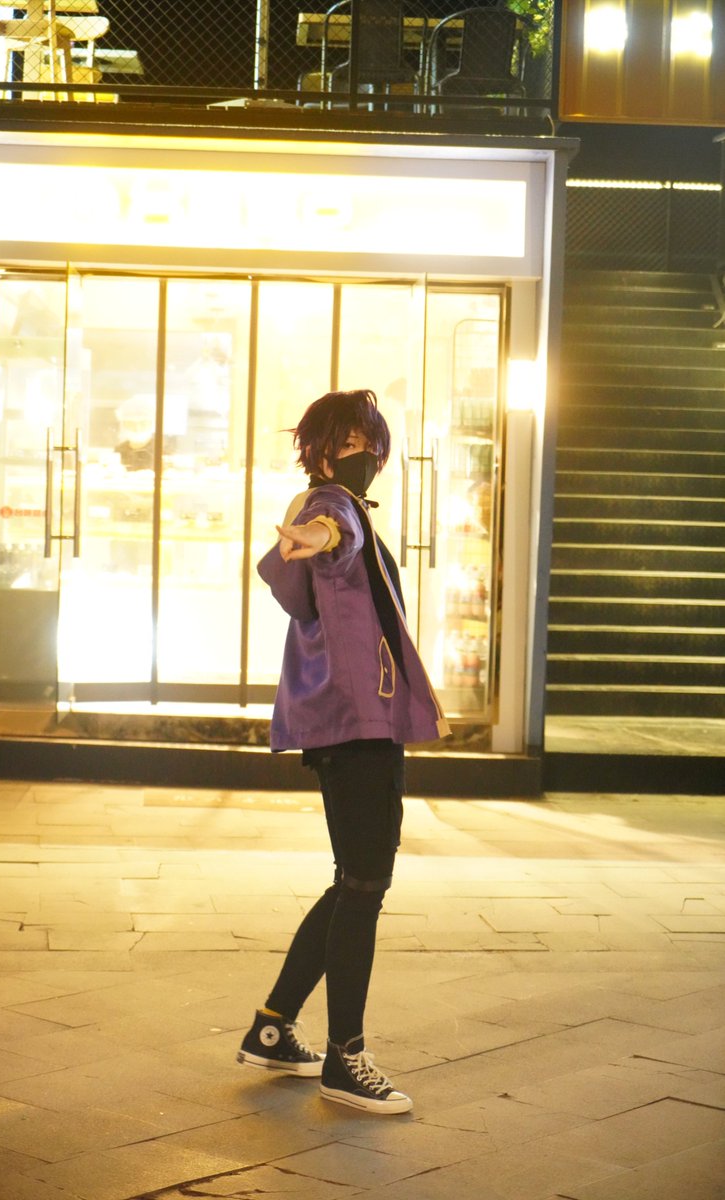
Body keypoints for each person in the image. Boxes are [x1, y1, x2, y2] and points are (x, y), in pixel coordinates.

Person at [236, 389, 450, 1115]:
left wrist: (319, 532)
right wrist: (318, 533)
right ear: (320, 452)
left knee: (351, 881)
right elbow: (333, 530)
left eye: (366, 442)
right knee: (364, 885)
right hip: (357, 725)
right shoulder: (331, 506)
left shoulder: (342, 505)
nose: (359, 454)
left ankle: (272, 1029)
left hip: (352, 722)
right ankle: (345, 1059)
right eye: (346, 442)